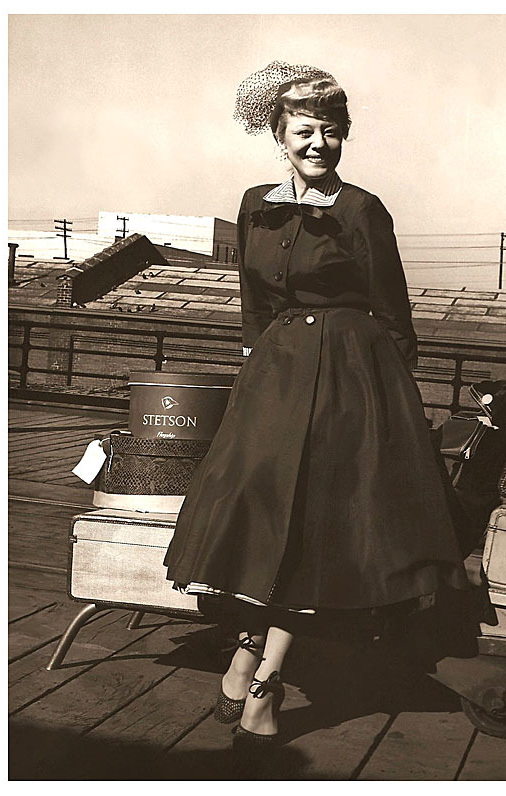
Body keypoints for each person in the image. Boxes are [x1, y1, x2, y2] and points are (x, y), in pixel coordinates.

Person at [164, 60, 469, 751]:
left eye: (331, 133)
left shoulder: (362, 209)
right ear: (279, 133)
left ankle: (263, 679)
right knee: (253, 515)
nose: (317, 145)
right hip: (274, 375)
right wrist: (253, 364)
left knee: (311, 530)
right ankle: (246, 649)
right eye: (305, 131)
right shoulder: (254, 203)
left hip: (348, 382)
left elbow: (393, 314)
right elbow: (254, 301)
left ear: (343, 138)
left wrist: (383, 405)